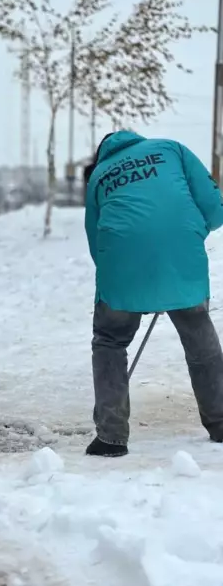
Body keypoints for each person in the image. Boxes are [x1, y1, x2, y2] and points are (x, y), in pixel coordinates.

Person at [85, 128, 223, 457]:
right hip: (182, 258)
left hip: (121, 268)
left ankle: (111, 437)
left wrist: (123, 275)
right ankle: (221, 422)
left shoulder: (99, 175)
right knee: (198, 334)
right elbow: (215, 205)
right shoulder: (172, 149)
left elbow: (95, 240)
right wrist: (188, 234)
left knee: (109, 341)